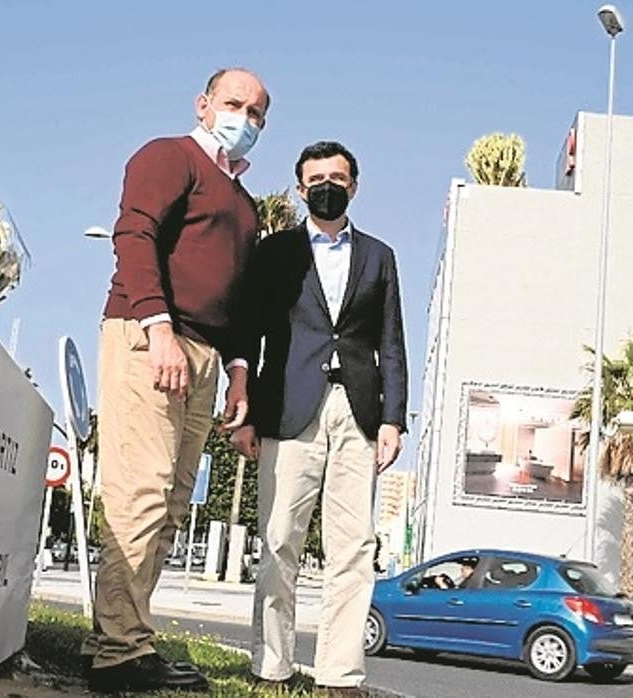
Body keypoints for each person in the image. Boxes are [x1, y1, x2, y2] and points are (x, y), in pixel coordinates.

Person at [81, 68, 270, 694]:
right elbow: (135, 234)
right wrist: (158, 329)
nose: (245, 117)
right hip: (150, 337)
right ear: (204, 103)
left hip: (208, 357)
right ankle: (118, 654)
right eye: (235, 103)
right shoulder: (169, 157)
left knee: (169, 505)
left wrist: (241, 375)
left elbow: (243, 302)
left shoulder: (244, 205)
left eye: (258, 112)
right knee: (141, 491)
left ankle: (124, 638)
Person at [231, 141, 407, 693]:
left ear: (354, 186)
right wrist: (245, 417)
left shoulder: (379, 256)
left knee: (352, 548)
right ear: (301, 188)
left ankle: (340, 674)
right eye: (316, 178)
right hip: (287, 408)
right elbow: (250, 332)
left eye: (338, 177)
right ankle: (271, 665)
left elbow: (391, 343)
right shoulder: (274, 252)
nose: (327, 186)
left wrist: (393, 419)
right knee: (279, 537)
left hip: (357, 411)